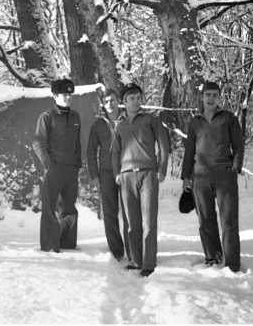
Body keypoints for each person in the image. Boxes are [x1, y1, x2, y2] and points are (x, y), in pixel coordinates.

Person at [181, 81, 244, 272]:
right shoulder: (195, 122)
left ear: (219, 98)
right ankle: (213, 256)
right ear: (202, 97)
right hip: (200, 178)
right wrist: (186, 176)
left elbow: (239, 146)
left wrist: (235, 167)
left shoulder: (229, 119)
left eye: (215, 95)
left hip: (225, 177)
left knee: (229, 221)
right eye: (208, 95)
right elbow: (189, 150)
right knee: (206, 220)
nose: (211, 99)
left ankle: (232, 263)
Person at [112, 83, 170, 277]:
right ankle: (135, 260)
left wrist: (161, 169)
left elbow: (163, 145)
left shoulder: (151, 120)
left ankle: (148, 263)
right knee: (131, 222)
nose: (136, 101)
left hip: (147, 174)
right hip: (127, 176)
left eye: (138, 97)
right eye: (131, 98)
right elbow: (115, 152)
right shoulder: (119, 124)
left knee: (149, 221)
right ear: (124, 102)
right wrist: (117, 173)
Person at [33, 78, 81, 252]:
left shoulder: (75, 117)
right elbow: (38, 143)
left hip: (71, 170)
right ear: (54, 96)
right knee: (50, 208)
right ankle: (50, 245)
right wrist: (48, 165)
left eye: (70, 94)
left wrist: (77, 165)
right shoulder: (46, 117)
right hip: (53, 169)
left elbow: (77, 144)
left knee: (69, 208)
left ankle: (67, 243)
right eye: (64, 94)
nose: (67, 97)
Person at [87, 88, 130, 261]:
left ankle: (132, 247)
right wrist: (94, 175)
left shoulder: (128, 119)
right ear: (103, 105)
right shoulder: (98, 124)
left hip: (127, 169)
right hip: (106, 172)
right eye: (106, 102)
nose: (109, 104)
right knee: (110, 212)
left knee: (129, 211)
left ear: (118, 100)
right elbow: (91, 151)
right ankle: (117, 250)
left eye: (112, 100)